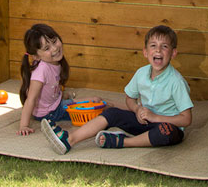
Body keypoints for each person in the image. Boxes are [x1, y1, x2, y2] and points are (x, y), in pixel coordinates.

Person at [41, 24, 193, 153]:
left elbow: (186, 119)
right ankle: (69, 139)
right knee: (112, 112)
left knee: (166, 132)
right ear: (145, 52)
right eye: (153, 46)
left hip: (165, 126)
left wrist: (155, 118)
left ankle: (123, 142)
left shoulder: (176, 82)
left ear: (173, 53)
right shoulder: (141, 73)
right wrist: (137, 110)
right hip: (143, 122)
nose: (158, 50)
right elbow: (130, 98)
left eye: (164, 47)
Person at [16, 23, 72, 136]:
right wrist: (23, 125)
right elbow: (30, 99)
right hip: (49, 113)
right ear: (36, 56)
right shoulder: (41, 70)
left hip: (54, 103)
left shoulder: (54, 61)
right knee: (94, 102)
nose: (55, 48)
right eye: (47, 48)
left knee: (94, 101)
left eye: (54, 41)